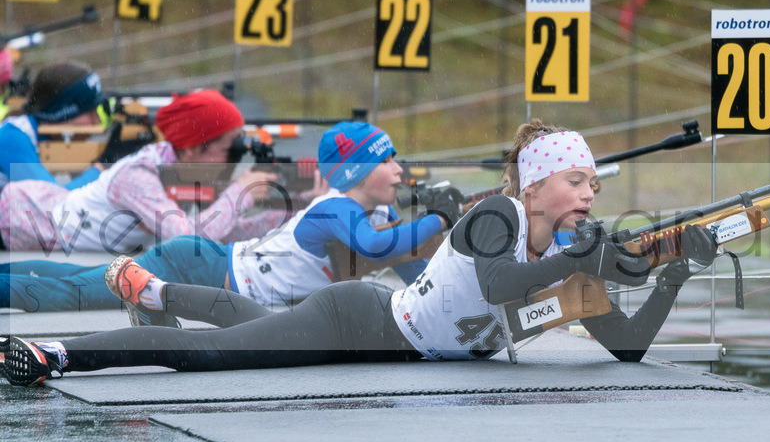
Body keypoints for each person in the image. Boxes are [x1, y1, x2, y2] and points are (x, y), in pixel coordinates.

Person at [0, 120, 719, 387]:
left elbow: (626, 345)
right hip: (362, 322)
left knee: (245, 324)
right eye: (575, 179)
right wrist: (580, 260)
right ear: (536, 185)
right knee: (215, 357)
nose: (590, 192)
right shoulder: (497, 216)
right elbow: (503, 285)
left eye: (595, 182)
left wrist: (674, 272)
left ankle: (154, 291)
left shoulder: (563, 246)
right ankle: (61, 351)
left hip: (382, 341)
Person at [0, 120, 454, 319]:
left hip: (210, 266)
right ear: (357, 172)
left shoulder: (379, 212)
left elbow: (414, 273)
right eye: (388, 161)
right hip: (196, 267)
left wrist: (445, 250)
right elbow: (377, 248)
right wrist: (438, 215)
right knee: (72, 295)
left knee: (78, 280)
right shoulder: (338, 209)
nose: (400, 169)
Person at [0, 89, 285, 253]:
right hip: (18, 215)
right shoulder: (139, 175)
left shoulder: (182, 171)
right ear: (190, 150)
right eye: (230, 150)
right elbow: (186, 239)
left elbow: (222, 232)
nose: (236, 160)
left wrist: (289, 213)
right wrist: (240, 195)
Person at [0, 61, 106, 190]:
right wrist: (98, 172)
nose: (97, 121)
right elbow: (49, 201)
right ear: (61, 113)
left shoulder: (50, 142)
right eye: (90, 111)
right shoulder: (11, 138)